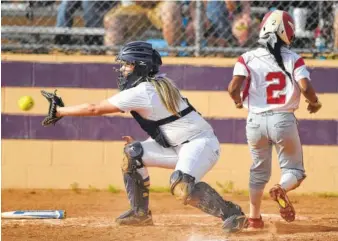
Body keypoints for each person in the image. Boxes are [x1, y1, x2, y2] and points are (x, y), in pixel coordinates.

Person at [40, 41, 247, 233]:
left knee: (181, 186)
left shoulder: (144, 90)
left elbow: (94, 109)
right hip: (178, 146)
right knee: (133, 153)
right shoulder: (154, 85)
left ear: (140, 66)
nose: (122, 70)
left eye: (127, 65)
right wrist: (149, 143)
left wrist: (60, 111)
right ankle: (140, 213)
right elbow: (169, 126)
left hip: (200, 144)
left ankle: (232, 214)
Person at [227, 10, 322, 229]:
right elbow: (306, 87)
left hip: (255, 122)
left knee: (258, 171)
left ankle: (254, 218)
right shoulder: (294, 58)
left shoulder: (247, 57)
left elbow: (233, 88)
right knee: (295, 170)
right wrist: (314, 103)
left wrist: (238, 102)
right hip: (283, 120)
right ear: (285, 32)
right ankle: (281, 187)